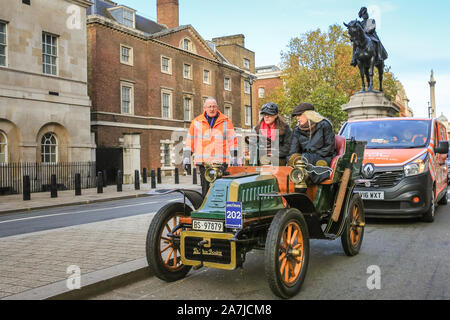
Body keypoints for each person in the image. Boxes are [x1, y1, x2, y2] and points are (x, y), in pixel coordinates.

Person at [183, 98, 238, 196]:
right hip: (204, 163)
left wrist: (234, 158)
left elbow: (233, 141)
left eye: (214, 106)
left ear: (217, 107)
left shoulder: (226, 121)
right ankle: (207, 209)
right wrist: (186, 158)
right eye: (209, 107)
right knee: (206, 191)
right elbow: (189, 141)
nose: (212, 109)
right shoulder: (196, 122)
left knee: (221, 190)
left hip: (221, 163)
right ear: (205, 108)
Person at [289, 102, 335, 167]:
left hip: (323, 158)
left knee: (307, 159)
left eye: (299, 115)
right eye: (296, 116)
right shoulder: (297, 130)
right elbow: (293, 150)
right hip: (304, 159)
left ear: (308, 115)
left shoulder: (324, 125)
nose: (297, 118)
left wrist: (311, 156)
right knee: (293, 158)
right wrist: (291, 159)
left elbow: (329, 148)